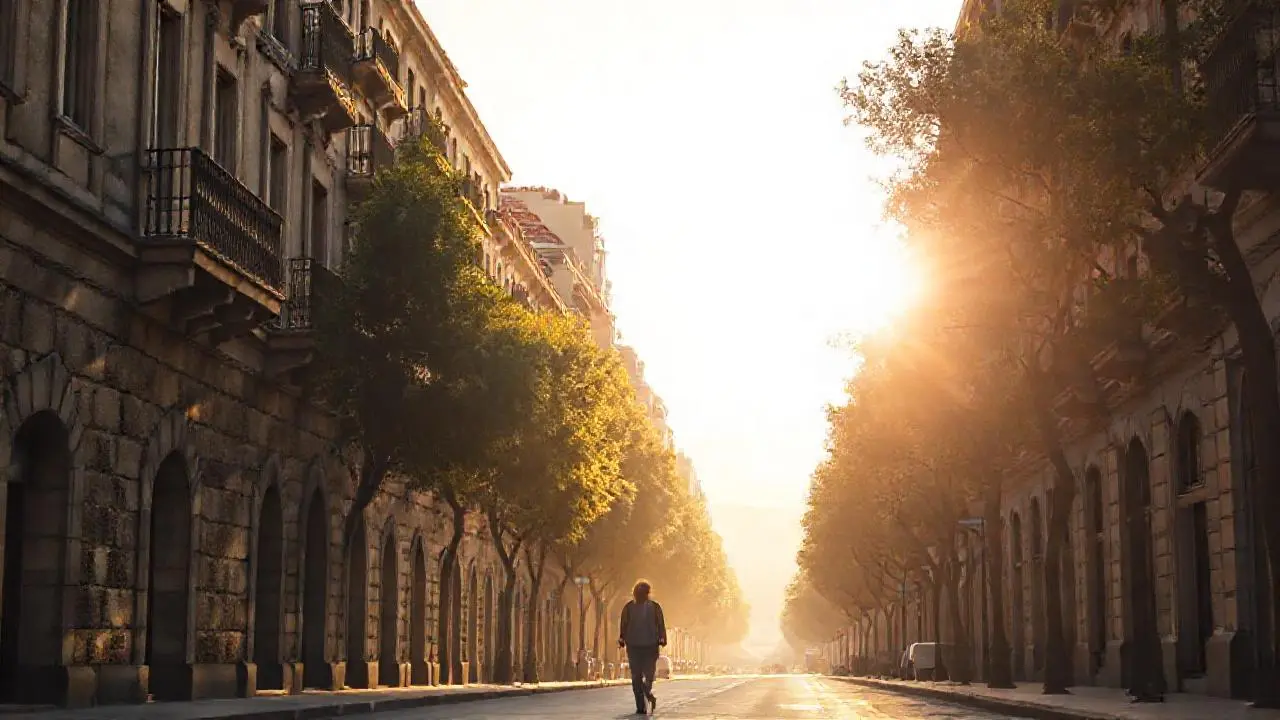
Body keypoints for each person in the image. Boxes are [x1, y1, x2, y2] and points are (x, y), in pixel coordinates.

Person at [618, 580, 667, 715]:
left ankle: (644, 696)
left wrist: (662, 638)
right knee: (640, 676)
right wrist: (622, 638)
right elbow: (624, 624)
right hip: (638, 646)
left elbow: (660, 624)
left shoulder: (654, 607)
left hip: (646, 646)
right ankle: (642, 702)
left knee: (643, 675)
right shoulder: (629, 608)